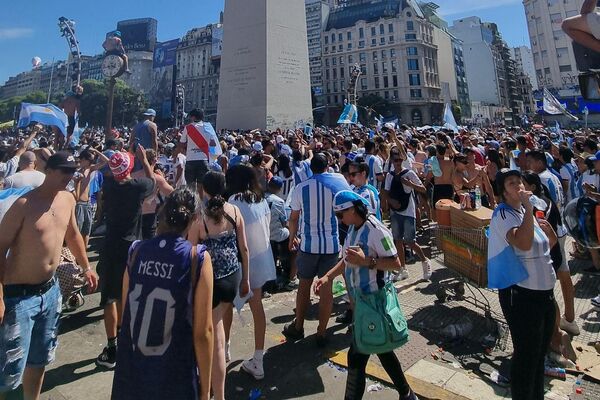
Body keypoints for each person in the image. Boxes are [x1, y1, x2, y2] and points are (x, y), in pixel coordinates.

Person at [0, 151, 98, 399]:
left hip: (50, 291)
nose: (69, 177)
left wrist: (86, 267)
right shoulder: (24, 205)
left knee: (39, 359)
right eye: (65, 171)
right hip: (18, 297)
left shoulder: (67, 199)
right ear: (49, 171)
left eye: (72, 172)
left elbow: (73, 235)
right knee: (9, 372)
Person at [313, 190, 418, 400]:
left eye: (340, 214)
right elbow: (347, 259)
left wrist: (367, 261)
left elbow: (396, 263)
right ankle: (407, 394)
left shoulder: (376, 230)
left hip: (375, 301)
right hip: (361, 303)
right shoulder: (353, 228)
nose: (339, 220)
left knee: (357, 355)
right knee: (382, 350)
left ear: (353, 209)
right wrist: (327, 277)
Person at [111, 188, 214, 400]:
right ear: (194, 219)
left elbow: (126, 310)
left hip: (132, 371)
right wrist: (206, 388)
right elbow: (204, 332)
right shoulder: (197, 258)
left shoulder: (136, 251)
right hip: (174, 374)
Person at [489, 169, 557, 400]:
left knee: (538, 355)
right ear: (504, 192)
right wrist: (529, 209)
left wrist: (547, 229)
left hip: (544, 295)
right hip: (521, 296)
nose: (518, 186)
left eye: (519, 181)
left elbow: (548, 244)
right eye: (511, 183)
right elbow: (524, 244)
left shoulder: (526, 214)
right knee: (526, 356)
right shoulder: (504, 214)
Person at [188, 171, 250, 400]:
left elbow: (191, 254)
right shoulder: (234, 211)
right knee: (218, 333)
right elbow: (244, 249)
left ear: (203, 189)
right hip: (232, 278)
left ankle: (212, 391)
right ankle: (215, 389)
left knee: (213, 340)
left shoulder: (199, 217)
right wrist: (246, 279)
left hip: (209, 283)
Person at [96, 147, 155, 369]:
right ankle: (127, 338)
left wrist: (114, 160)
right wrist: (144, 161)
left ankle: (112, 347)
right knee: (129, 294)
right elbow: (152, 183)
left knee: (110, 297)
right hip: (132, 248)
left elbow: (111, 170)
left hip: (111, 246)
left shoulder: (109, 186)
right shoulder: (138, 187)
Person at [283, 154, 350, 347]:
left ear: (310, 168)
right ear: (327, 166)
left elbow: (294, 217)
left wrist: (292, 236)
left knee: (304, 287)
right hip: (330, 245)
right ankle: (321, 332)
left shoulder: (301, 188)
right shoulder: (336, 185)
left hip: (308, 245)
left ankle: (299, 326)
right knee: (326, 290)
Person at [226, 164, 276, 380]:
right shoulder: (262, 200)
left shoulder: (233, 202)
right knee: (258, 307)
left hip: (241, 262)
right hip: (262, 258)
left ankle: (225, 347)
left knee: (226, 305)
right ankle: (258, 358)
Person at [384, 155, 432, 281]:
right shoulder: (390, 175)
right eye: (396, 160)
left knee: (410, 241)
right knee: (398, 240)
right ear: (392, 162)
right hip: (395, 211)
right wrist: (390, 202)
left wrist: (410, 184)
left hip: (408, 211)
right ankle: (402, 269)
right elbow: (385, 192)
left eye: (400, 160)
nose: (398, 162)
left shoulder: (409, 173)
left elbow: (422, 188)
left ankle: (424, 261)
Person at [74, 148, 109, 247]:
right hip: (79, 204)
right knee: (78, 230)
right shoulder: (76, 171)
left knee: (86, 231)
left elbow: (107, 161)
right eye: (90, 160)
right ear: (84, 159)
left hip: (88, 203)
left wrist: (96, 151)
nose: (91, 162)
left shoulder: (90, 169)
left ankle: (83, 252)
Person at [265, 177, 296, 290]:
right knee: (290, 237)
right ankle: (288, 275)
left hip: (265, 235)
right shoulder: (279, 201)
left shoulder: (260, 198)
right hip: (277, 235)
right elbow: (284, 222)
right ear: (280, 188)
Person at [179, 109, 221, 188]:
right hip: (204, 159)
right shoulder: (209, 127)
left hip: (190, 159)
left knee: (190, 186)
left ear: (193, 117)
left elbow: (182, 143)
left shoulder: (188, 127)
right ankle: (201, 200)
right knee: (201, 186)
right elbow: (213, 144)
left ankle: (192, 200)